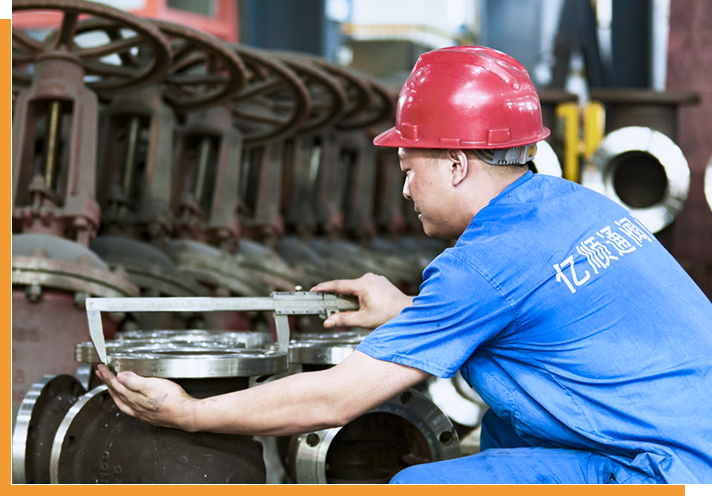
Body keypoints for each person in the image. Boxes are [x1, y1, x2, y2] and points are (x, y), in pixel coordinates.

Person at [97, 46, 712, 484]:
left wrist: (190, 412)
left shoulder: (480, 265)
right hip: (696, 440)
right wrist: (410, 313)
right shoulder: (572, 205)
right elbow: (534, 320)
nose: (406, 190)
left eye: (409, 169)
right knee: (505, 431)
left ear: (456, 165)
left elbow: (335, 401)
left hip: (669, 472)